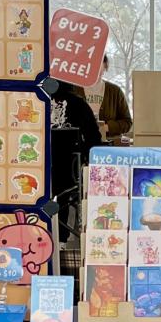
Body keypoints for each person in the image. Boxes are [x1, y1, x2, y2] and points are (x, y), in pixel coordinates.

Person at [49, 81, 101, 241]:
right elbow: (94, 138)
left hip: (36, 163)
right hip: (68, 167)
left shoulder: (35, 98)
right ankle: (60, 239)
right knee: (63, 198)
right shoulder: (78, 103)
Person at [75, 55, 133, 140]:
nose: (94, 68)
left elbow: (127, 123)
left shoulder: (115, 91)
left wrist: (105, 127)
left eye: (98, 63)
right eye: (91, 63)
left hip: (108, 144)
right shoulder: (74, 90)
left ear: (105, 66)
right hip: (80, 144)